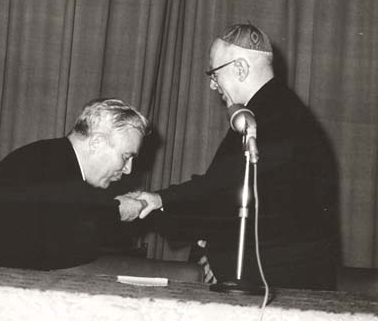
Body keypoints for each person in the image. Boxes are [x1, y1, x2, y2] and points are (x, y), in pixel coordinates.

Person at [126, 23, 338, 290]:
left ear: (239, 68)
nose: (213, 86)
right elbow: (234, 192)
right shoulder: (273, 109)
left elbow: (221, 189)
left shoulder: (270, 118)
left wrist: (158, 200)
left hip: (277, 286)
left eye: (214, 74)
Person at [0, 98, 152, 270]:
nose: (128, 169)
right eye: (126, 157)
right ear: (96, 143)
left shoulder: (52, 159)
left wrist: (116, 209)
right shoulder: (51, 167)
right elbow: (68, 246)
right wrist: (118, 212)